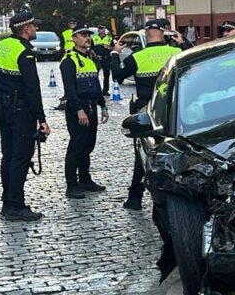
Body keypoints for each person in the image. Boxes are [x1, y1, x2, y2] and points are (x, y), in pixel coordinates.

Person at [0, 12, 52, 221]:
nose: (36, 29)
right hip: (21, 111)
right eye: (34, 26)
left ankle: (7, 201)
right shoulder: (24, 52)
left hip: (3, 108)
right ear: (26, 29)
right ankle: (15, 205)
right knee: (21, 157)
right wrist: (41, 118)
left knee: (8, 156)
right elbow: (32, 88)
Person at [113, 18, 192, 210]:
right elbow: (196, 59)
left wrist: (115, 53)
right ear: (164, 33)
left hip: (147, 112)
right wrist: (183, 42)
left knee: (143, 154)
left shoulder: (138, 56)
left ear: (146, 34)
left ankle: (135, 198)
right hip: (177, 109)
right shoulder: (175, 52)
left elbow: (117, 75)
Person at [60, 27, 108, 199]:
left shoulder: (91, 58)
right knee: (77, 146)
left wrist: (103, 105)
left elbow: (96, 84)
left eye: (88, 35)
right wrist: (79, 110)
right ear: (74, 38)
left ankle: (85, 179)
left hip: (92, 107)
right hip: (77, 109)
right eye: (83, 35)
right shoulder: (69, 60)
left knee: (88, 145)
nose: (87, 38)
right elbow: (70, 90)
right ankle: (72, 184)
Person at [92, 26, 114, 92]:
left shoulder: (109, 38)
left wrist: (108, 47)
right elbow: (91, 48)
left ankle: (105, 90)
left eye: (101, 28)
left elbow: (113, 48)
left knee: (106, 75)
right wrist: (94, 55)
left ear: (104, 29)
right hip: (97, 58)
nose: (99, 30)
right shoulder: (94, 38)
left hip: (106, 58)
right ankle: (96, 89)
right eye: (98, 28)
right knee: (95, 75)